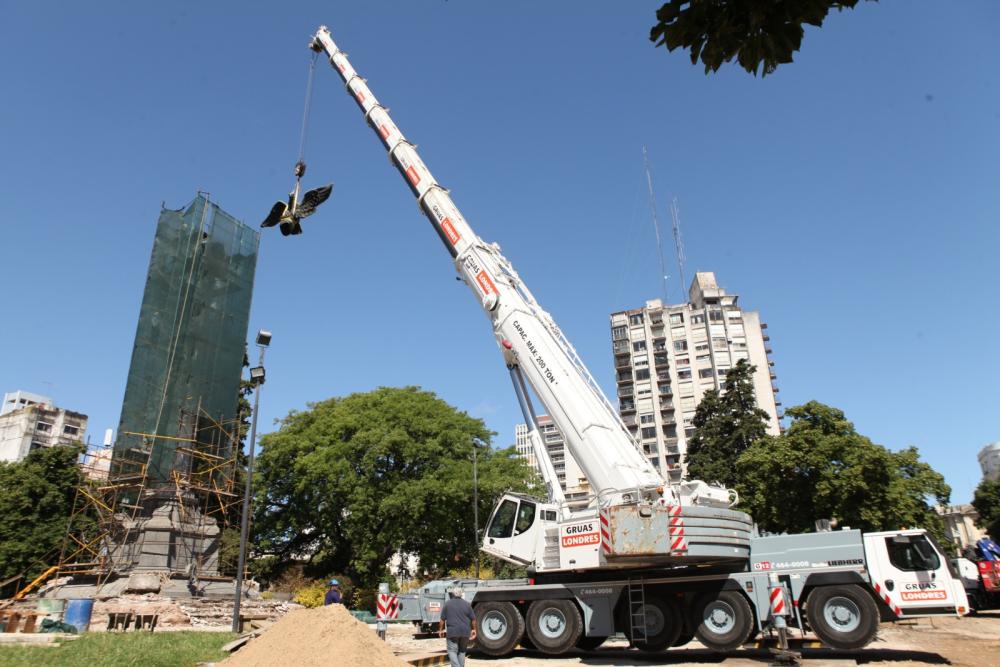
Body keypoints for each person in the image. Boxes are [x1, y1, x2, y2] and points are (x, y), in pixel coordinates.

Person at [438, 587, 476, 667]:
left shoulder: (448, 604)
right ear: (461, 594)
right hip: (465, 632)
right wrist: (474, 630)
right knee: (462, 651)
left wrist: (440, 630)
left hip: (453, 632)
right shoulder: (467, 604)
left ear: (452, 594)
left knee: (452, 651)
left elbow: (442, 620)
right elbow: (473, 619)